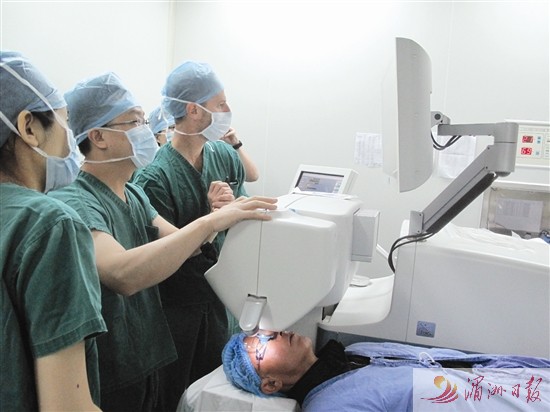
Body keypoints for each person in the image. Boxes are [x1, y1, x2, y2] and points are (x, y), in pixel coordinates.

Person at [49, 71, 277, 412]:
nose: (147, 131)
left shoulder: (133, 194)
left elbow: (185, 244)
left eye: (144, 121)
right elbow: (122, 274)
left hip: (145, 353)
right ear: (98, 136)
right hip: (111, 363)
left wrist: (222, 216)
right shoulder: (75, 200)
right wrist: (211, 221)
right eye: (135, 122)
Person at [132, 61, 260, 411]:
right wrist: (212, 219)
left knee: (218, 393)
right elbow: (163, 254)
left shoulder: (223, 155)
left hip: (222, 300)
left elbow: (242, 216)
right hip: (177, 311)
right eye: (220, 104)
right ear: (193, 110)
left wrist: (234, 212)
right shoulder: (154, 177)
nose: (227, 110)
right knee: (176, 395)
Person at [0, 51, 106, 411]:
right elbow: (67, 406)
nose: (71, 140)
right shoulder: (49, 225)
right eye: (66, 122)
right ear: (29, 127)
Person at [222, 331, 550, 411]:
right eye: (263, 344)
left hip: (526, 379)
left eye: (268, 331)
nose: (276, 333)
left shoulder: (357, 352)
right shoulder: (331, 406)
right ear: (270, 384)